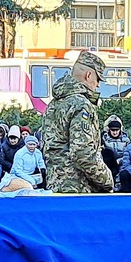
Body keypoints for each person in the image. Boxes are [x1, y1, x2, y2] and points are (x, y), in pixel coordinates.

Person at [39, 50, 113, 195]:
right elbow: (82, 153)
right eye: (98, 79)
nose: (98, 85)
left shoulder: (55, 103)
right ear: (88, 75)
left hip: (56, 183)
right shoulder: (81, 104)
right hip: (79, 187)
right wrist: (107, 179)